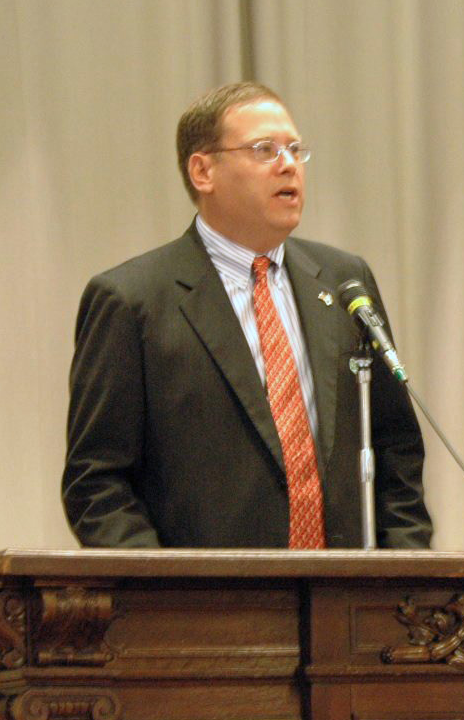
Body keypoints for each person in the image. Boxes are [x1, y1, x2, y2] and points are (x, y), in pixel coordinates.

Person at [61, 82, 432, 549]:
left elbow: (396, 447)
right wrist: (161, 583)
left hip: (344, 587)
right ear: (203, 171)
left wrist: (403, 569)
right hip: (204, 591)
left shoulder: (343, 282)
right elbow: (96, 482)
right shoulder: (132, 301)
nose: (288, 164)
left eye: (295, 149)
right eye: (264, 149)